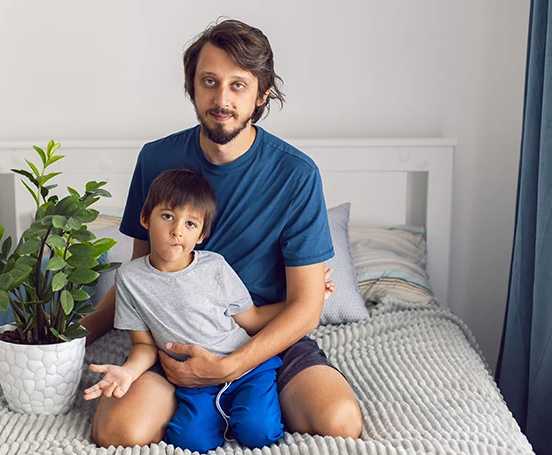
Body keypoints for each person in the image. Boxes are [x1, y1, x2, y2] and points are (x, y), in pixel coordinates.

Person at [82, 19, 363, 447]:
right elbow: (139, 276)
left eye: (238, 85)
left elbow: (306, 309)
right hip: (175, 338)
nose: (221, 99)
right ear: (192, 87)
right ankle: (199, 406)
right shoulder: (157, 158)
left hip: (268, 343)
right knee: (117, 431)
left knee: (339, 422)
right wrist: (59, 340)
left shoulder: (296, 174)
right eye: (209, 82)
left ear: (261, 94)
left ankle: (240, 397)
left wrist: (228, 366)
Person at [84, 169, 292, 452]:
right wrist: (128, 373)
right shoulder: (130, 278)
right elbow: (144, 344)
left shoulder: (215, 267)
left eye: (191, 223)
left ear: (202, 235)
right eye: (168, 216)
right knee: (190, 442)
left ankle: (248, 408)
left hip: (247, 369)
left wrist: (304, 301)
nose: (177, 230)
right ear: (145, 218)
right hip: (193, 381)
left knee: (259, 432)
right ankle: (223, 415)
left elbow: (252, 319)